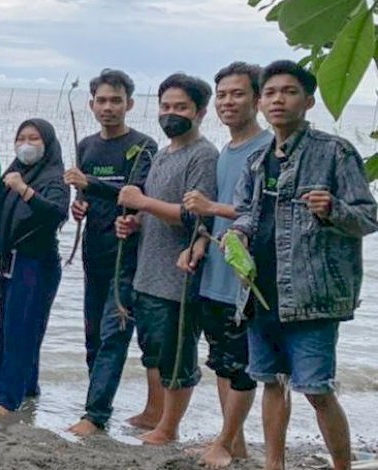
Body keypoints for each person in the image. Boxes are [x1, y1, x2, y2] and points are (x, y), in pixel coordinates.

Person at [229, 60, 377, 470]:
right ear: (260, 102)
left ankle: (342, 467)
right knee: (271, 384)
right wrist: (237, 234)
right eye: (271, 92)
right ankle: (273, 465)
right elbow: (245, 213)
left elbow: (368, 217)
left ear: (309, 101)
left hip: (312, 296)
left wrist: (333, 209)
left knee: (316, 389)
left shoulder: (335, 152)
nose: (279, 99)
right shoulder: (258, 160)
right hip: (261, 293)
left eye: (289, 91)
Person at [117, 73, 219, 445]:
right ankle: (152, 411)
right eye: (165, 107)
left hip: (179, 276)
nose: (170, 114)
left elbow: (198, 216)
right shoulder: (162, 154)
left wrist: (143, 202)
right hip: (148, 271)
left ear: (200, 111)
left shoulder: (203, 155)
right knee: (152, 349)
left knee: (177, 354)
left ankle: (170, 426)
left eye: (180, 107)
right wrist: (136, 221)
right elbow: (155, 209)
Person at [179, 62, 272, 469]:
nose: (228, 102)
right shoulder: (224, 153)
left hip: (245, 280)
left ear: (257, 97)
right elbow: (213, 216)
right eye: (222, 95)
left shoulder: (267, 150)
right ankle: (234, 442)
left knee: (241, 366)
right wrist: (198, 242)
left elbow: (264, 215)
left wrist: (211, 207)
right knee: (221, 360)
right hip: (214, 273)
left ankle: (224, 441)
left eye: (237, 94)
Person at [65, 69, 158, 436]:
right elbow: (85, 196)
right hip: (95, 251)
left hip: (128, 253)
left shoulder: (143, 146)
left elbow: (136, 194)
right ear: (92, 104)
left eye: (116, 100)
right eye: (101, 100)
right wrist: (79, 205)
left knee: (114, 333)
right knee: (92, 334)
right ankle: (96, 404)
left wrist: (91, 184)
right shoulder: (87, 146)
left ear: (129, 104)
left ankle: (95, 415)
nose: (108, 107)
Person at [0, 118, 69, 417]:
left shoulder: (53, 177)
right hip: (8, 260)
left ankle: (7, 400)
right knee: (10, 327)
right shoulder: (13, 171)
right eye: (21, 137)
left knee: (22, 328)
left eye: (34, 138)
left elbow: (57, 214)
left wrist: (25, 190)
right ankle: (27, 390)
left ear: (47, 143)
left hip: (36, 262)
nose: (26, 144)